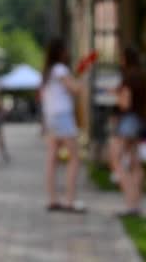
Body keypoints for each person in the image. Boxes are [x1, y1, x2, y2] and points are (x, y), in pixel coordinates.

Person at [41, 38, 85, 213]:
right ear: (60, 51)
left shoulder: (48, 71)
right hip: (63, 116)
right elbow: (75, 89)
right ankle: (69, 200)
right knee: (74, 158)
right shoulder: (60, 69)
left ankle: (53, 199)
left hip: (51, 117)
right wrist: (82, 79)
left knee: (52, 159)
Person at [109, 47, 146, 217]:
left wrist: (115, 95)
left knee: (116, 160)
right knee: (135, 163)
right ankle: (136, 204)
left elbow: (125, 104)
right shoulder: (141, 76)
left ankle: (130, 203)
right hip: (139, 120)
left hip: (128, 121)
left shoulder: (128, 78)